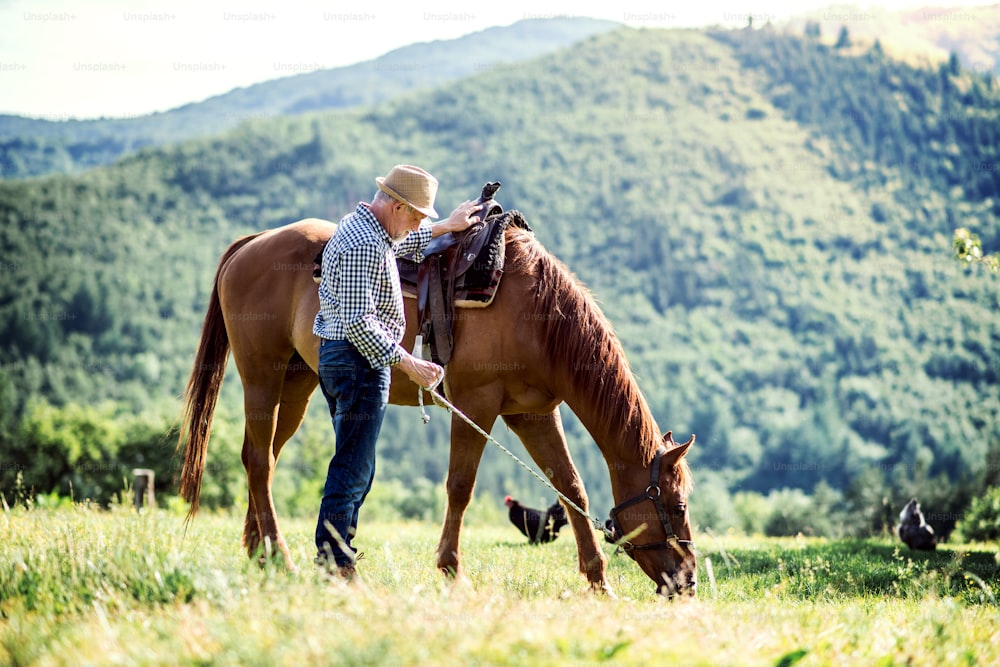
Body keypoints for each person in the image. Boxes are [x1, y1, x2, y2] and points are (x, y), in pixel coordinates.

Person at [313, 164, 481, 579]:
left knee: (358, 466)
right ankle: (333, 564)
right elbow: (358, 321)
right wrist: (409, 364)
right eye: (418, 216)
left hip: (349, 361)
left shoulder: (370, 230)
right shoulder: (363, 244)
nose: (419, 224)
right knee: (351, 468)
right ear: (398, 205)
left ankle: (338, 554)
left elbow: (401, 245)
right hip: (358, 363)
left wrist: (447, 226)